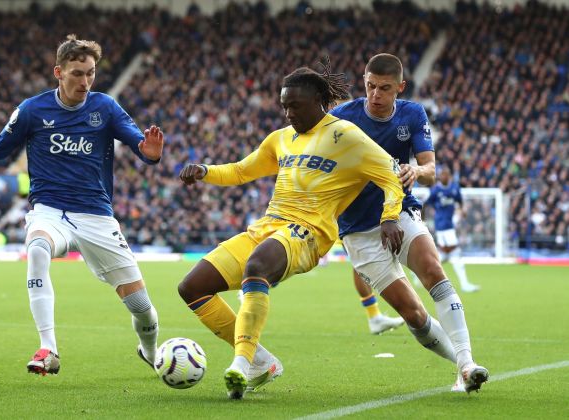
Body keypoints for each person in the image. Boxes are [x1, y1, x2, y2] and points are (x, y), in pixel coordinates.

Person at [178, 63, 407, 399]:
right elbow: (242, 171)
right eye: (284, 106)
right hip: (269, 226)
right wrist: (204, 171)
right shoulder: (281, 139)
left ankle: (240, 364)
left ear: (318, 101)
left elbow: (391, 173)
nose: (288, 113)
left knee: (256, 266)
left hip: (310, 232)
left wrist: (390, 216)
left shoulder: (346, 135)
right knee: (192, 287)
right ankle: (260, 360)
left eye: (295, 105)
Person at [0, 35, 164, 376]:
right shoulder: (32, 110)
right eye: (78, 74)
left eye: (91, 74)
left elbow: (139, 143)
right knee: (36, 249)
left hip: (96, 215)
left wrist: (148, 153)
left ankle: (151, 351)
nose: (85, 82)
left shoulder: (105, 107)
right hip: (49, 211)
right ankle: (48, 348)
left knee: (143, 310)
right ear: (58, 72)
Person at [330, 53, 488, 392]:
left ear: (400, 87)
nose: (375, 95)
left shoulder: (413, 114)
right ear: (364, 81)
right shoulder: (343, 117)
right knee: (413, 315)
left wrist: (416, 170)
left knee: (432, 270)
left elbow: (431, 171)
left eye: (385, 89)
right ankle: (458, 364)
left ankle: (466, 363)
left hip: (399, 211)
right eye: (370, 86)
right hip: (357, 230)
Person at [425, 167, 480, 292]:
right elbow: (425, 204)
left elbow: (460, 201)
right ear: (439, 177)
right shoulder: (436, 191)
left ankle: (424, 268)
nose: (443, 177)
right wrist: (422, 220)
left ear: (449, 176)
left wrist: (463, 209)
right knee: (454, 252)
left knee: (446, 255)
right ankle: (465, 284)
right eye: (442, 175)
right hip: (441, 226)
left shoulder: (454, 188)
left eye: (446, 174)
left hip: (449, 225)